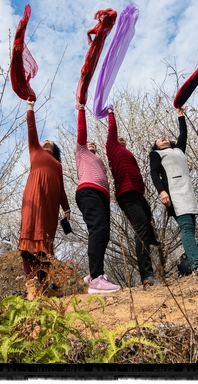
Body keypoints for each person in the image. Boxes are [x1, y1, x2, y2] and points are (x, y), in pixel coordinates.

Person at [18, 99, 71, 300]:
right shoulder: (35, 151)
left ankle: (44, 285)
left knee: (45, 246)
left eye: (50, 141)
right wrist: (30, 108)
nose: (46, 141)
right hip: (33, 197)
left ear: (55, 148)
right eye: (44, 140)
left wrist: (66, 209)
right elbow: (31, 129)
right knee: (28, 239)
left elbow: (62, 189)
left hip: (51, 206)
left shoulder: (58, 165)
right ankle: (31, 284)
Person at [149, 106, 198, 275]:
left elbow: (183, 135)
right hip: (173, 193)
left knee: (191, 228)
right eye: (159, 139)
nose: (163, 138)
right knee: (186, 227)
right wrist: (162, 192)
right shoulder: (156, 155)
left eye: (165, 137)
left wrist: (180, 115)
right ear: (156, 146)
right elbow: (154, 173)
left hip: (187, 191)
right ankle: (197, 266)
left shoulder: (178, 150)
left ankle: (197, 264)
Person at [105, 108, 160, 286]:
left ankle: (150, 237)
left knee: (148, 219)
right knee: (141, 229)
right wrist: (111, 113)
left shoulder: (127, 153)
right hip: (126, 193)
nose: (120, 138)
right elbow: (112, 132)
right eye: (117, 138)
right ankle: (147, 275)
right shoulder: (112, 149)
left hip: (138, 194)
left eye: (123, 139)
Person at [76, 103, 121, 294]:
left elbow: (112, 139)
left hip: (102, 195)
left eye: (93, 144)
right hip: (88, 191)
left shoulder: (98, 159)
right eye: (88, 143)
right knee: (98, 229)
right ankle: (96, 277)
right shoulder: (81, 152)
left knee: (103, 233)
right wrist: (81, 109)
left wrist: (111, 115)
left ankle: (91, 275)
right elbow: (82, 132)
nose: (90, 144)